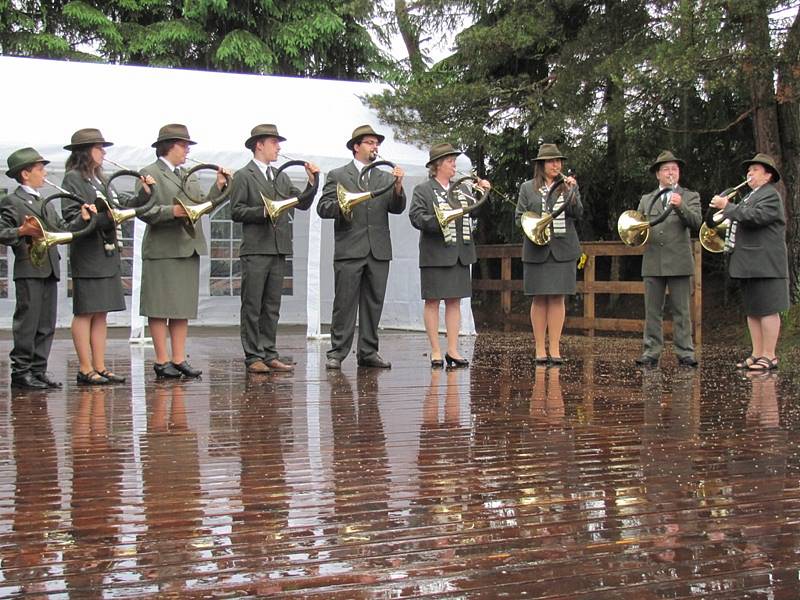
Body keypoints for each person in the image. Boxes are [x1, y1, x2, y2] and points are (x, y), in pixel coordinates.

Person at [61, 128, 155, 385]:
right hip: (88, 254)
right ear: (85, 152)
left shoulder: (99, 180)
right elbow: (70, 219)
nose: (103, 152)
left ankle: (99, 366)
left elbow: (118, 205)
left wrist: (144, 193)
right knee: (85, 312)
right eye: (99, 148)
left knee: (101, 312)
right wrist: (94, 217)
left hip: (106, 252)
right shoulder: (73, 178)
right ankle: (84, 367)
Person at [138, 124, 228, 379]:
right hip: (162, 249)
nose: (187, 150)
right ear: (168, 146)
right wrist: (171, 211)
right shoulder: (149, 172)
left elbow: (202, 206)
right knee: (159, 307)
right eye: (183, 145)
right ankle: (161, 359)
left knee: (181, 307)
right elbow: (143, 211)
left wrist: (219, 187)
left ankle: (178, 358)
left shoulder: (189, 174)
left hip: (187, 247)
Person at [0, 147, 94, 389]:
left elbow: (62, 228)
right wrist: (21, 231)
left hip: (49, 267)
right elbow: (2, 232)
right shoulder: (12, 201)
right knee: (28, 322)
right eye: (40, 169)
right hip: (29, 268)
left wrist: (81, 218)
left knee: (45, 323)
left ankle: (38, 370)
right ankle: (21, 372)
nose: (44, 174)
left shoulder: (45, 203)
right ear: (25, 174)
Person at [230, 124, 319, 374]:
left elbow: (300, 203)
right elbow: (235, 211)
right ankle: (253, 355)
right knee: (252, 304)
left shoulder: (280, 175)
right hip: (256, 250)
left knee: (271, 305)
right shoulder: (243, 175)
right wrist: (263, 212)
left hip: (278, 248)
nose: (278, 147)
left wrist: (313, 183)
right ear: (259, 144)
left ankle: (269, 352)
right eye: (274, 142)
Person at [317, 124, 406, 370]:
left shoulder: (385, 177)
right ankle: (337, 352)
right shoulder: (338, 174)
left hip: (378, 249)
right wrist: (344, 206)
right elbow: (323, 207)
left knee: (373, 302)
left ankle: (368, 351)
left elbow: (397, 208)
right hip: (349, 248)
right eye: (369, 142)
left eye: (376, 143)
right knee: (344, 303)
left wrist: (398, 187)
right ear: (356, 147)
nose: (374, 146)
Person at [409, 142, 490, 368]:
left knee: (455, 301)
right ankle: (436, 350)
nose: (454, 165)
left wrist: (483, 192)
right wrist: (439, 221)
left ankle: (452, 350)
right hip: (435, 253)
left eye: (454, 161)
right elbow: (416, 217)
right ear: (437, 165)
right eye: (449, 161)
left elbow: (476, 212)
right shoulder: (423, 190)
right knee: (433, 301)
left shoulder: (463, 188)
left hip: (460, 253)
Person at [709, 153, 789, 372]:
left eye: (755, 170)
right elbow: (742, 215)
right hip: (748, 263)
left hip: (766, 263)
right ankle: (757, 352)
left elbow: (755, 217)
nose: (749, 173)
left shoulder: (770, 195)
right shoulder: (750, 196)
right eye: (749, 170)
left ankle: (770, 355)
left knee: (768, 309)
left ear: (768, 175)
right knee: (753, 310)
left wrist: (728, 206)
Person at [514, 143, 582, 365]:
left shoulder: (568, 186)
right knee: (539, 298)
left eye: (559, 161)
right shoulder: (527, 188)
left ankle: (555, 348)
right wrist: (535, 225)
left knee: (557, 297)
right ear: (541, 165)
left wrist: (573, 191)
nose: (556, 165)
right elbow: (519, 218)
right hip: (537, 249)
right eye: (551, 161)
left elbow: (577, 213)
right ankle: (539, 348)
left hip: (563, 248)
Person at [634, 150, 702, 368]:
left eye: (674, 169)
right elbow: (637, 228)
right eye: (666, 169)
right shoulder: (646, 199)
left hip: (679, 262)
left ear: (679, 172)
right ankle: (651, 351)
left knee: (682, 310)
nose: (670, 172)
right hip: (653, 261)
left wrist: (680, 205)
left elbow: (697, 223)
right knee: (652, 311)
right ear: (658, 174)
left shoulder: (690, 196)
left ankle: (685, 352)